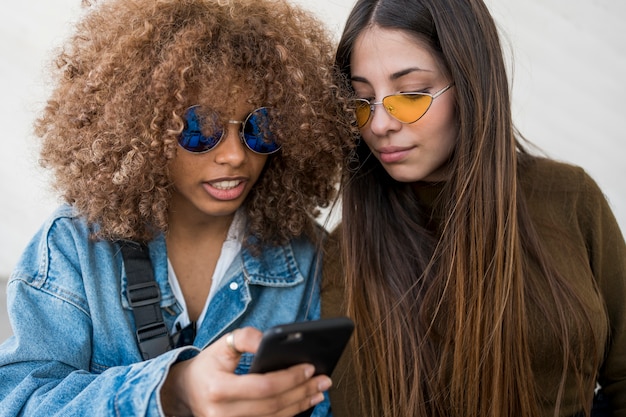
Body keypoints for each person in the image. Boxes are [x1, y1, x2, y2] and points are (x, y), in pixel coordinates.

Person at [0, 0, 353, 416]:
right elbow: (18, 401)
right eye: (202, 129)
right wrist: (174, 390)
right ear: (140, 126)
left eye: (261, 128)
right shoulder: (72, 246)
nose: (235, 156)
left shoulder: (306, 255)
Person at [322, 0, 626, 416]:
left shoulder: (570, 198)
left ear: (469, 84)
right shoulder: (340, 255)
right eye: (361, 100)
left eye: (410, 94)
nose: (379, 124)